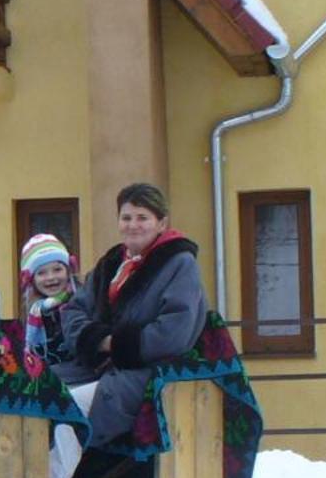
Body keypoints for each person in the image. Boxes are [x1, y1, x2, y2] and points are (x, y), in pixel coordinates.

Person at [56, 180, 209, 449]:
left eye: (143, 218)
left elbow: (173, 333)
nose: (133, 225)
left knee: (63, 416)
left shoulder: (179, 264)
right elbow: (73, 311)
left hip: (145, 375)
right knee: (35, 396)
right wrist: (95, 340)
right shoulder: (112, 263)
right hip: (94, 368)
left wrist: (114, 344)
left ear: (161, 223)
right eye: (126, 217)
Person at [16, 231, 77, 377]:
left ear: (68, 271)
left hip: (79, 374)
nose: (51, 278)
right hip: (47, 377)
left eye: (57, 269)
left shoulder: (80, 300)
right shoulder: (33, 311)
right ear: (31, 279)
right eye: (41, 273)